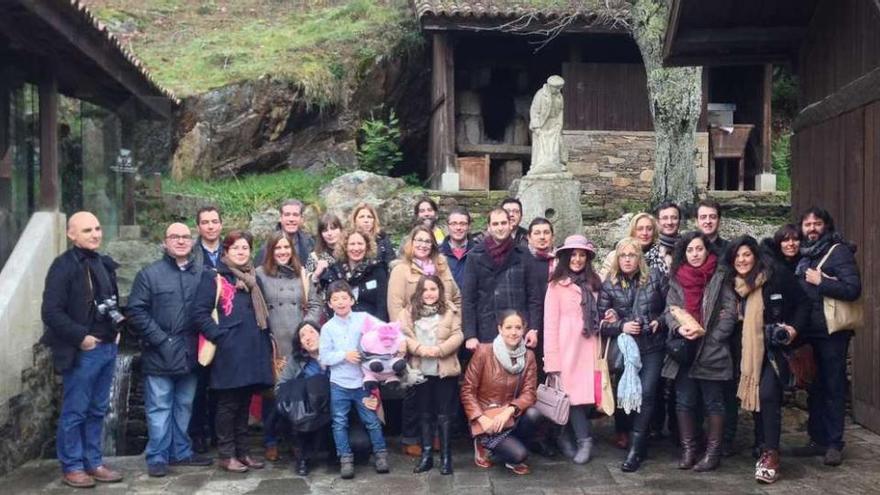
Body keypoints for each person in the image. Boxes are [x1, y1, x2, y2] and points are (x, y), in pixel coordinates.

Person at [40, 211, 124, 488]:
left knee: (98, 409)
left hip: (108, 347)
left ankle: (94, 462)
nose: (95, 234)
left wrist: (117, 331)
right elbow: (51, 312)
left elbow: (111, 302)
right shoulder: (62, 266)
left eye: (98, 228)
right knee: (75, 410)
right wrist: (81, 337)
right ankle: (72, 466)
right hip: (83, 350)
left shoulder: (102, 263)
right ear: (71, 234)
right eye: (87, 230)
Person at [127, 223, 212, 478]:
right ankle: (157, 456)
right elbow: (136, 311)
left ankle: (181, 452)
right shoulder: (149, 274)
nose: (181, 241)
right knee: (159, 407)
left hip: (190, 352)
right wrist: (161, 340)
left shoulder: (202, 274)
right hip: (160, 351)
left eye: (186, 237)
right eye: (175, 237)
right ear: (165, 242)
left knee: (184, 405)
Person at [724, 235, 808, 483]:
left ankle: (771, 453)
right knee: (758, 395)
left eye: (747, 254)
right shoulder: (732, 284)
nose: (742, 260)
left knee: (769, 394)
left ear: (756, 256)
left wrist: (793, 328)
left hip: (774, 349)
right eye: (737, 256)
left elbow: (803, 303)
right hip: (746, 352)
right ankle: (763, 443)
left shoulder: (776, 276)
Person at [192, 230, 275, 473]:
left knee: (244, 404)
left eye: (245, 248)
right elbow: (199, 313)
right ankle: (226, 454)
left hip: (252, 350)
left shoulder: (252, 278)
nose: (241, 252)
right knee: (227, 405)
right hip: (229, 352)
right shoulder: (215, 277)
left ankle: (243, 451)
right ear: (226, 251)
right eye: (236, 248)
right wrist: (221, 337)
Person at [791, 207, 861, 466]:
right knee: (814, 387)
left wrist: (822, 281)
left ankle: (834, 443)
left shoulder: (838, 252)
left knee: (833, 387)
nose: (811, 228)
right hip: (809, 332)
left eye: (816, 223)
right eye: (807, 224)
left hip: (832, 334)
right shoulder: (805, 254)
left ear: (826, 226)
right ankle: (816, 439)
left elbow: (853, 289)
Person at [662, 231, 736, 472]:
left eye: (699, 249)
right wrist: (679, 328)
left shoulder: (720, 275)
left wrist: (712, 337)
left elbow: (730, 311)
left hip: (711, 349)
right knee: (684, 401)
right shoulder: (676, 278)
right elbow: (669, 311)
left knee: (714, 402)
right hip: (685, 350)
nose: (695, 254)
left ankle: (713, 454)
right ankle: (689, 450)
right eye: (690, 250)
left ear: (707, 251)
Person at [387, 225, 462, 456]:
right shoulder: (401, 270)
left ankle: (437, 437)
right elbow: (395, 306)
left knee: (440, 392)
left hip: (441, 333)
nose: (423, 245)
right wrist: (403, 338)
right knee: (415, 392)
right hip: (414, 335)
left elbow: (456, 296)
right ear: (411, 243)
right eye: (418, 240)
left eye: (427, 241)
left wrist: (453, 321)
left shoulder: (442, 265)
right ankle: (411, 437)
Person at [598, 237, 668, 472]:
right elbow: (599, 323)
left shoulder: (655, 277)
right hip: (626, 350)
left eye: (632, 255)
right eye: (623, 255)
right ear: (617, 259)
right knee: (628, 394)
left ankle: (636, 449)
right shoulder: (609, 284)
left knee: (647, 393)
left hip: (652, 345)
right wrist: (621, 327)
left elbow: (671, 307)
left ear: (640, 258)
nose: (628, 259)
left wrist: (659, 320)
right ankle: (634, 438)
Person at [275, 321, 378, 476]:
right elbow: (281, 387)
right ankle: (303, 456)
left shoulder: (341, 355)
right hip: (309, 414)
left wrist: (370, 397)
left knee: (360, 445)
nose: (308, 337)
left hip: (340, 412)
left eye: (311, 332)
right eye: (303, 336)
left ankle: (334, 452)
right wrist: (299, 394)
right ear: (301, 344)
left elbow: (363, 378)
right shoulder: (296, 361)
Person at [256, 232, 323, 461]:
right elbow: (256, 306)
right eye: (278, 248)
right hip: (274, 343)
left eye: (286, 247)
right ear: (270, 251)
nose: (282, 251)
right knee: (271, 397)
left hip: (297, 342)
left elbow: (315, 304)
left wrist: (306, 328)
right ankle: (271, 440)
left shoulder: (302, 275)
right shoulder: (260, 275)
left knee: (297, 394)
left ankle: (295, 439)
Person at [319, 281, 390, 479]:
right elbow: (323, 357)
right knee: (339, 422)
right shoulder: (327, 328)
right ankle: (345, 459)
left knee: (371, 420)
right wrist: (343, 355)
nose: (340, 302)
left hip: (363, 381)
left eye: (344, 298)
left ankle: (381, 454)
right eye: (335, 299)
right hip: (339, 384)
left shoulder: (364, 318)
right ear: (329, 304)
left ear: (352, 299)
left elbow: (385, 333)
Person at [544, 235, 602, 465]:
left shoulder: (595, 283)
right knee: (571, 397)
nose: (577, 259)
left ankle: (565, 436)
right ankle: (583, 439)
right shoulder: (556, 285)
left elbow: (604, 308)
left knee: (584, 399)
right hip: (566, 349)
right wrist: (552, 361)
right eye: (573, 255)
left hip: (589, 347)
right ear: (565, 257)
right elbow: (549, 324)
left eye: (582, 255)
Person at [460, 310, 539, 475]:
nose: (513, 332)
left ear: (524, 329)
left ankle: (510, 445)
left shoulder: (528, 356)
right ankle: (482, 442)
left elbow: (529, 392)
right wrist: (481, 419)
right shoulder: (484, 352)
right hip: (487, 417)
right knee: (520, 455)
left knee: (534, 415)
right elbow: (467, 390)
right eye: (508, 327)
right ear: (500, 329)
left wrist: (510, 410)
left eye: (518, 327)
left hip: (510, 416)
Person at [399, 275, 463, 474]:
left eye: (433, 289)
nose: (429, 293)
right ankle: (426, 455)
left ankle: (446, 457)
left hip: (443, 370)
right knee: (424, 413)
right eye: (425, 290)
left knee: (444, 415)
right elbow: (404, 335)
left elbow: (458, 334)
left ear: (440, 291)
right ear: (419, 292)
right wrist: (419, 348)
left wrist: (440, 350)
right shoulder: (409, 312)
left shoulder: (450, 310)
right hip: (420, 370)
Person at [461, 208, 540, 350]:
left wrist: (533, 328)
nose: (500, 228)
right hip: (486, 330)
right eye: (495, 224)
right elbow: (468, 299)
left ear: (510, 225)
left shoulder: (523, 255)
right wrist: (470, 335)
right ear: (489, 228)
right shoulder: (474, 256)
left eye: (503, 223)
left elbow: (534, 296)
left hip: (517, 329)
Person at [190, 206, 223, 453]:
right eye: (205, 222)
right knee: (199, 385)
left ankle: (219, 433)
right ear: (198, 227)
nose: (210, 226)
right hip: (199, 328)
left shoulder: (232, 251)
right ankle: (198, 434)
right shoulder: (190, 254)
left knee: (223, 386)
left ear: (221, 225)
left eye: (214, 221)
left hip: (227, 328)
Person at [319, 230, 389, 321]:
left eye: (360, 244)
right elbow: (329, 306)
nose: (356, 248)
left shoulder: (377, 270)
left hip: (372, 327)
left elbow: (382, 306)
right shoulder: (334, 272)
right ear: (345, 247)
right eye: (352, 244)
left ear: (367, 247)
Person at [256, 199, 315, 266]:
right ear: (280, 218)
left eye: (295, 215)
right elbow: (258, 273)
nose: (291, 219)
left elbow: (315, 268)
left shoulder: (310, 243)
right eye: (287, 215)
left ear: (301, 219)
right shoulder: (268, 247)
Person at [438, 207, 481, 289]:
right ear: (448, 226)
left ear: (469, 226)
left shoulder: (479, 252)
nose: (458, 228)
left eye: (463, 224)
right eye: (454, 223)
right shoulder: (438, 253)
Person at [350, 203, 396, 268]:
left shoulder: (382, 238)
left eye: (369, 217)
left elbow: (391, 261)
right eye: (361, 217)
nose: (366, 220)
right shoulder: (348, 240)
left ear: (374, 220)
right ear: (355, 220)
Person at [306, 213, 343, 286]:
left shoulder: (351, 252)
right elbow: (305, 286)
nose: (330, 233)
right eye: (325, 230)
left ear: (341, 230)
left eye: (333, 229)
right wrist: (316, 274)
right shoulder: (314, 256)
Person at [646, 201, 681, 275]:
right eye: (665, 218)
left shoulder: (689, 247)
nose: (669, 222)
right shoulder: (648, 251)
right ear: (657, 222)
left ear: (679, 221)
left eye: (674, 218)